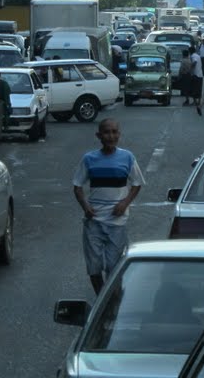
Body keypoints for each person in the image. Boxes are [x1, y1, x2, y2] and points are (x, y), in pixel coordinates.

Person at [72, 119, 144, 293]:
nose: (110, 136)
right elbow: (77, 186)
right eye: (106, 132)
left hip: (117, 222)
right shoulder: (89, 159)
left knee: (113, 266)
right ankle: (100, 300)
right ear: (99, 136)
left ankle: (112, 300)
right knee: (94, 266)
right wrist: (85, 207)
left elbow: (137, 183)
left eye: (114, 132)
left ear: (119, 134)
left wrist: (125, 202)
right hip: (93, 221)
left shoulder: (127, 157)